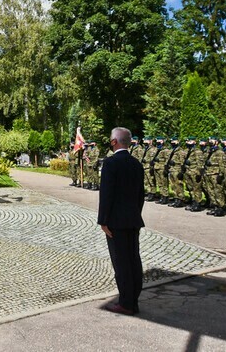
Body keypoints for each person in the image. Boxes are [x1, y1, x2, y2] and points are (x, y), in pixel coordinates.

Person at [97, 127, 145, 316]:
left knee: (121, 263)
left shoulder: (111, 163)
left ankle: (126, 303)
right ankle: (133, 300)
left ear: (115, 142)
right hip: (133, 220)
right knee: (134, 260)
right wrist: (135, 213)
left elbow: (106, 195)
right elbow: (141, 195)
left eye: (111, 139)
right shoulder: (136, 164)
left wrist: (103, 220)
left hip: (116, 223)